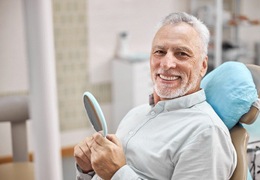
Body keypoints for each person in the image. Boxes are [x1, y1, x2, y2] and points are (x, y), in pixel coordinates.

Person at [74, 12, 237, 180]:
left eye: (182, 54)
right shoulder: (136, 114)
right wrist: (88, 170)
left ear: (203, 66)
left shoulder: (206, 133)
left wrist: (117, 173)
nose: (166, 64)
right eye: (159, 52)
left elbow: (115, 173)